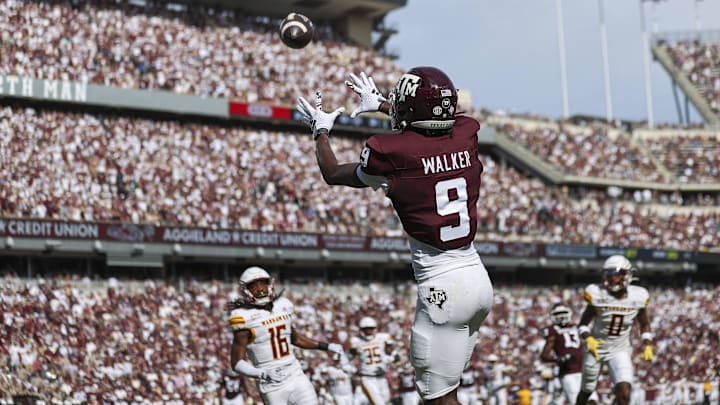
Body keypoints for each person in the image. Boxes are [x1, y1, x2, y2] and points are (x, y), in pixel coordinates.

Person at [297, 67, 494, 405]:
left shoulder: (390, 153)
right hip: (477, 281)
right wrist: (384, 105)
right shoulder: (466, 132)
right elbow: (428, 132)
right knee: (450, 394)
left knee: (438, 399)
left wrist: (321, 131)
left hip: (443, 289)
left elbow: (333, 173)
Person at [227, 266, 344, 405]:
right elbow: (237, 363)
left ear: (270, 284)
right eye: (254, 286)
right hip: (271, 384)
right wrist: (262, 373)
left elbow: (296, 339)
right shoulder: (243, 317)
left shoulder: (283, 306)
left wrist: (327, 346)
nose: (260, 289)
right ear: (245, 290)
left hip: (295, 375)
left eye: (263, 283)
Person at [575, 255, 654, 405]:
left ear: (627, 275)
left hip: (620, 349)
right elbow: (582, 325)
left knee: (624, 392)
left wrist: (648, 344)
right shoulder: (597, 294)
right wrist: (588, 338)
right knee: (587, 390)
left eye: (616, 274)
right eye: (609, 274)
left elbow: (644, 324)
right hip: (596, 349)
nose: (612, 279)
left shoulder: (638, 296)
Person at [540, 303, 598, 405]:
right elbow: (544, 356)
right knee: (578, 402)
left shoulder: (577, 327)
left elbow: (584, 347)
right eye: (558, 313)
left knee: (593, 402)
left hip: (583, 371)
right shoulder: (552, 330)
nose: (561, 316)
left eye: (563, 313)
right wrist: (559, 359)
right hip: (568, 372)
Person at [349, 316, 397, 405]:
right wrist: (350, 368)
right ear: (361, 330)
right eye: (366, 329)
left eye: (370, 329)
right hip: (367, 378)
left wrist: (391, 358)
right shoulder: (356, 341)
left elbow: (394, 355)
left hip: (382, 377)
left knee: (386, 401)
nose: (368, 332)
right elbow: (348, 358)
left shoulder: (383, 338)